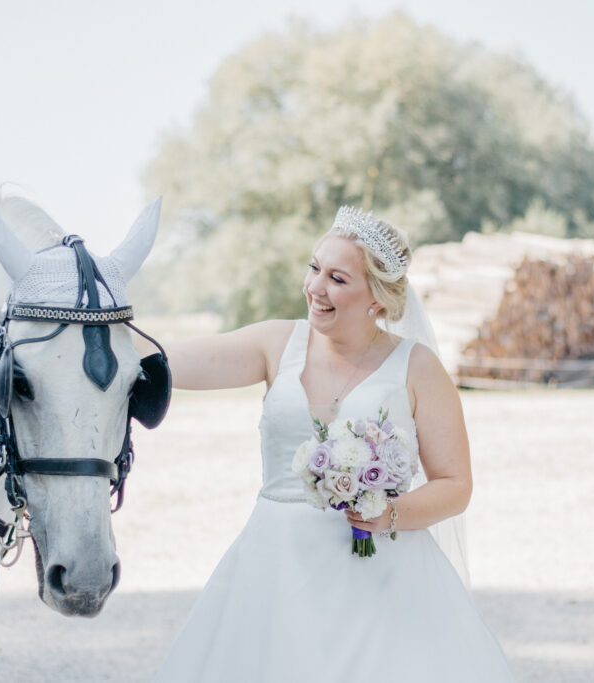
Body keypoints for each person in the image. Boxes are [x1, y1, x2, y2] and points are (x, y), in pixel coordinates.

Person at [150, 207, 515, 682]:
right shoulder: (276, 344)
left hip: (383, 574)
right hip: (275, 567)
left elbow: (455, 483)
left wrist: (390, 513)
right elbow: (163, 362)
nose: (315, 287)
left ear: (377, 298)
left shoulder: (417, 368)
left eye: (338, 278)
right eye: (314, 268)